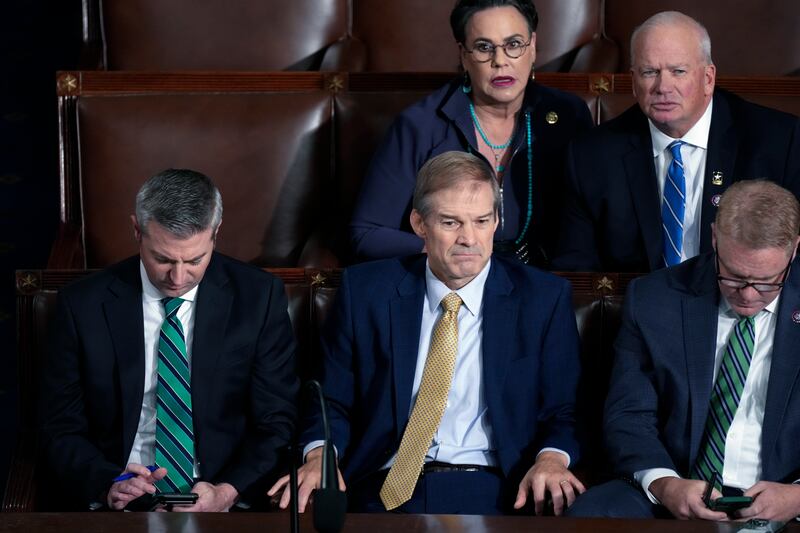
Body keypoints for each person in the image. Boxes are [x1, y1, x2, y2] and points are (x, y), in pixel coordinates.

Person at [269, 151, 584, 515]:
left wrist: (551, 460)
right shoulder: (367, 291)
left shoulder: (541, 298)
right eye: (451, 223)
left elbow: (565, 410)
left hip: (494, 485)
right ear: (419, 223)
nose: (469, 239)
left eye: (482, 221)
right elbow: (331, 400)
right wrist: (320, 457)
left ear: (497, 220)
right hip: (380, 482)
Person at [39, 169, 299, 511]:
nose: (178, 277)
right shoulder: (82, 306)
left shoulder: (258, 297)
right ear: (137, 230)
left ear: (216, 233)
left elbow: (277, 421)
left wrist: (228, 491)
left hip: (223, 494)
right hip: (121, 493)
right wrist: (109, 484)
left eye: (195, 260)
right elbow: (61, 426)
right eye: (162, 259)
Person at [568, 180, 800, 522]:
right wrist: (665, 483)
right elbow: (630, 415)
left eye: (767, 281)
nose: (748, 295)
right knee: (595, 514)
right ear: (714, 238)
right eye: (734, 277)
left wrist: (796, 497)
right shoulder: (654, 298)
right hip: (674, 486)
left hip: (785, 492)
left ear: (794, 250)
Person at [349, 0, 593, 268]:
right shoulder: (419, 125)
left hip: (540, 280)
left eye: (513, 45)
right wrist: (449, 252)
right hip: (447, 278)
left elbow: (588, 226)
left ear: (532, 46)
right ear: (464, 55)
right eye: (483, 47)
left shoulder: (568, 115)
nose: (500, 61)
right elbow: (366, 233)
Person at [553, 11, 800, 273]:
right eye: (650, 72)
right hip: (638, 307)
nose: (663, 87)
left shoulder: (778, 142)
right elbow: (575, 271)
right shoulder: (592, 156)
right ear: (634, 82)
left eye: (678, 71)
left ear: (708, 78)